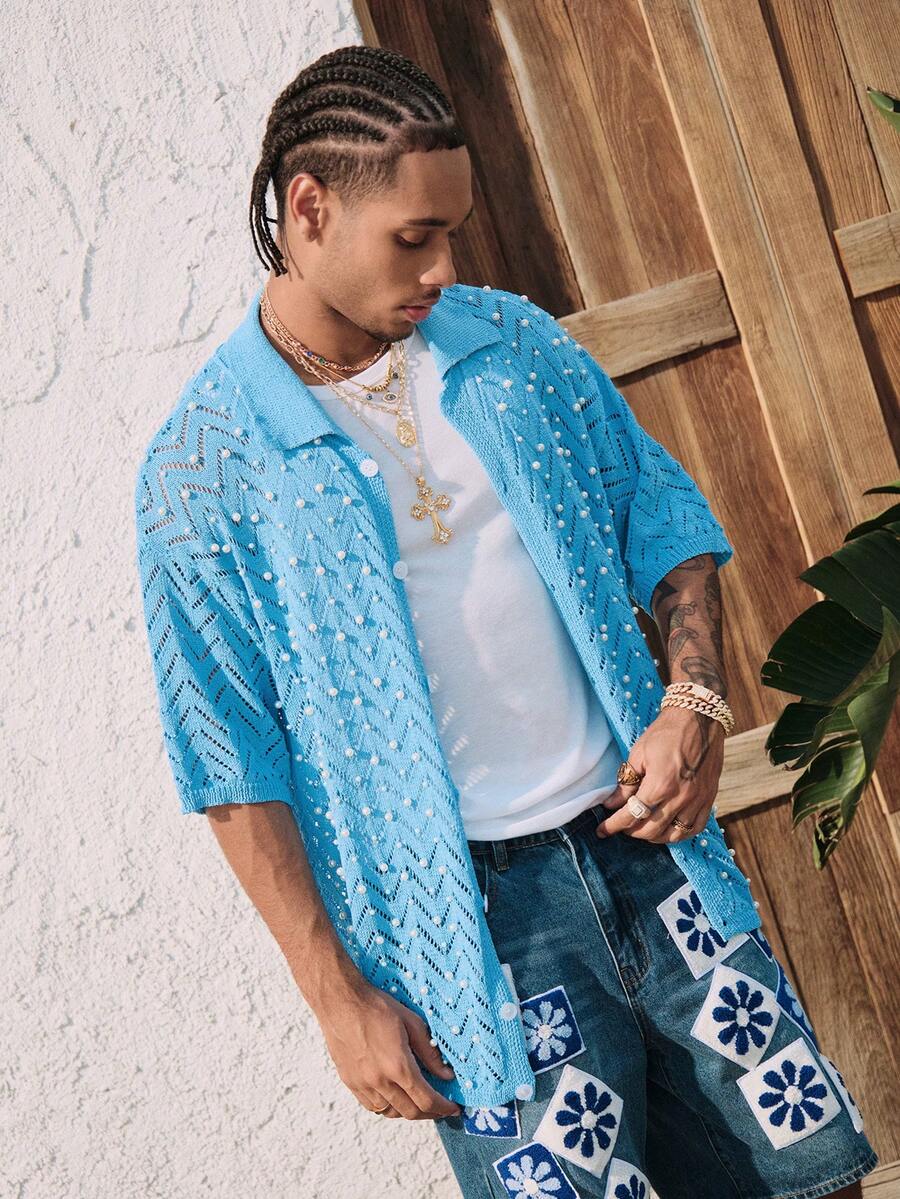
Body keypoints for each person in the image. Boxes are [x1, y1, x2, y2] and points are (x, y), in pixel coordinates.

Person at [134, 42, 878, 1199]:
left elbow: (661, 516)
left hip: (654, 857)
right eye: (413, 238)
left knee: (808, 1176)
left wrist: (691, 700)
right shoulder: (208, 468)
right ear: (310, 209)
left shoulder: (510, 346)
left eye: (454, 234)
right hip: (475, 938)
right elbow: (229, 754)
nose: (442, 268)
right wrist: (336, 996)